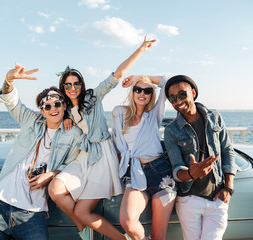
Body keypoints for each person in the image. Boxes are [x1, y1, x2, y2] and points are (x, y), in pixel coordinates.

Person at [48, 36, 156, 240]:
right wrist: (65, 121)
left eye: (76, 83)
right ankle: (83, 226)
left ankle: (117, 237)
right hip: (83, 157)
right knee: (55, 188)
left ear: (82, 84)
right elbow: (48, 119)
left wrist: (141, 49)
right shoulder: (67, 110)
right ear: (63, 88)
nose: (73, 88)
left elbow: (118, 74)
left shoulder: (92, 97)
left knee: (82, 211)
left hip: (102, 156)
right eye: (68, 85)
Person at [0, 63, 81, 240]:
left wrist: (51, 174)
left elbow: (74, 165)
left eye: (57, 103)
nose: (53, 109)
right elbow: (10, 100)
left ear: (64, 105)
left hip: (33, 214)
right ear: (42, 111)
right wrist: (9, 80)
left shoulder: (73, 133)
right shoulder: (30, 121)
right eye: (47, 106)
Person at [163, 75, 236, 240]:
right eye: (172, 98)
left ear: (193, 93)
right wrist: (191, 173)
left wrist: (229, 188)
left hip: (217, 198)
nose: (178, 101)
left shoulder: (215, 117)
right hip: (189, 200)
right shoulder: (171, 130)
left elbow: (227, 151)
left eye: (182, 94)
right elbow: (176, 168)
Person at [111, 75, 176, 240]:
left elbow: (169, 82)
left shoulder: (155, 114)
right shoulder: (119, 113)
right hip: (134, 173)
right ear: (132, 92)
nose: (142, 93)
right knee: (128, 221)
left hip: (161, 174)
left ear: (151, 95)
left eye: (147, 91)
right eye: (137, 89)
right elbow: (115, 147)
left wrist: (143, 76)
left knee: (158, 236)